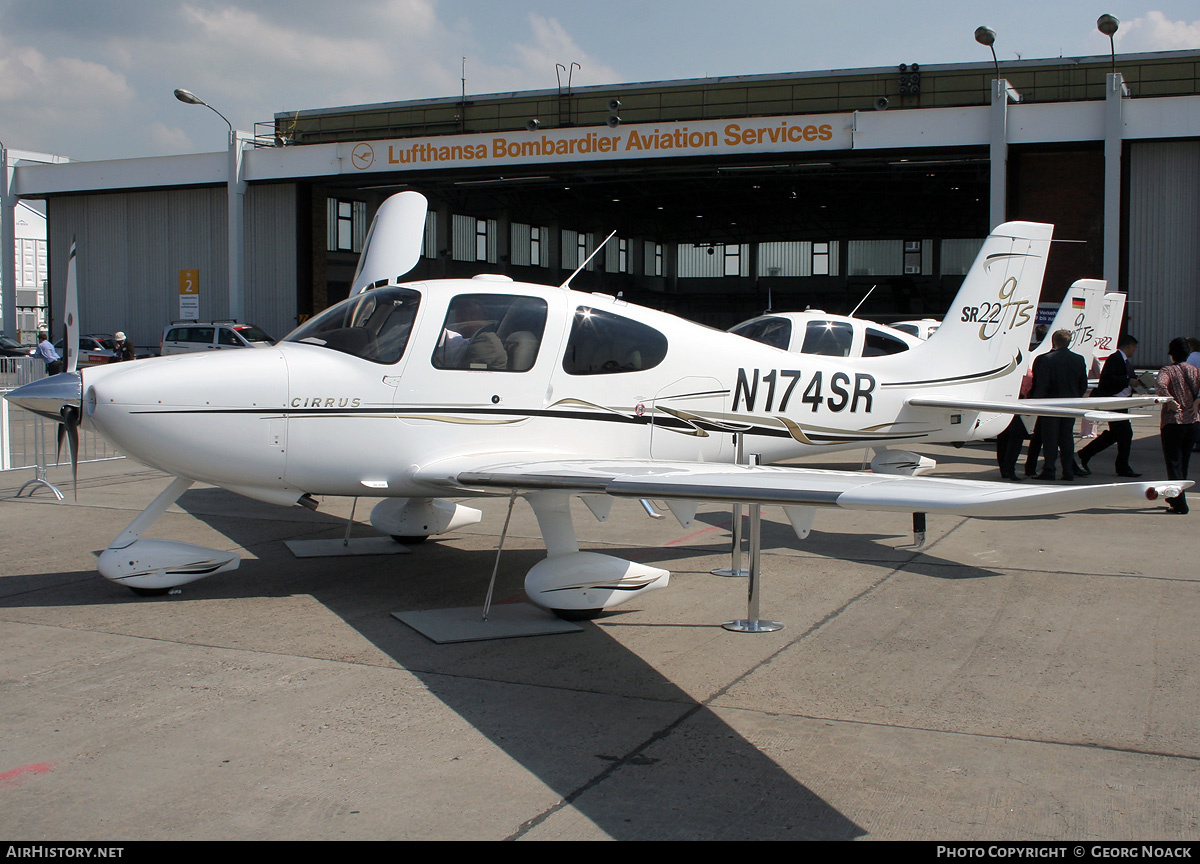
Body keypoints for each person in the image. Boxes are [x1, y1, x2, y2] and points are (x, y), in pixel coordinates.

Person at [1078, 335, 1141, 477]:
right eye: (1134, 348)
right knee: (1125, 434)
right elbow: (1107, 379)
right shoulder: (1115, 358)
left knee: (1116, 434)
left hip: (1122, 402)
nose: (1134, 351)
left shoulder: (1125, 361)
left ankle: (1085, 453)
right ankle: (1122, 467)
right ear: (1129, 346)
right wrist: (1127, 381)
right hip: (1115, 402)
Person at [1030, 329, 1088, 481]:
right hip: (1069, 405)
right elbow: (1083, 385)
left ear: (1053, 341)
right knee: (1067, 438)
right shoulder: (1079, 359)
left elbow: (1041, 385)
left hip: (1051, 404)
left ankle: (1049, 469)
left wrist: (1034, 402)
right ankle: (1068, 471)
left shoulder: (1045, 359)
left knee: (1050, 439)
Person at [1155, 337, 1200, 514]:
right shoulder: (1194, 371)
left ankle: (1180, 503)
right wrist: (1197, 401)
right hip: (1192, 422)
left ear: (1171, 353)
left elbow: (1159, 384)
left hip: (1173, 422)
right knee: (1184, 463)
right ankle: (1175, 496)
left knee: (1173, 464)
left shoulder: (1168, 370)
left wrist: (1169, 400)